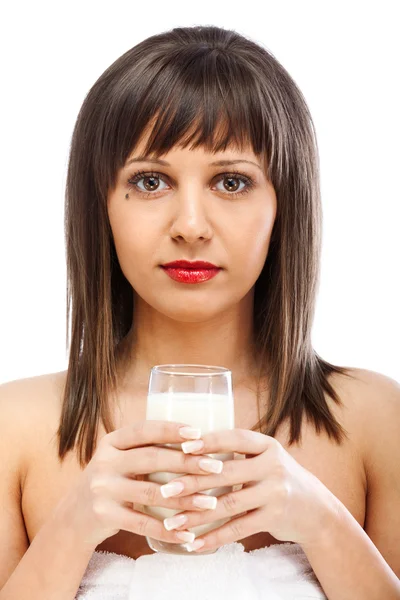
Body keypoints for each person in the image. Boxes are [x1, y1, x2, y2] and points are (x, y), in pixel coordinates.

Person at [0, 24, 399, 600]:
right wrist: (71, 527)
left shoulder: (374, 420)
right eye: (150, 180)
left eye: (232, 181)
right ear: (100, 205)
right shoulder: (15, 428)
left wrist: (323, 522)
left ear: (286, 203)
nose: (190, 225)